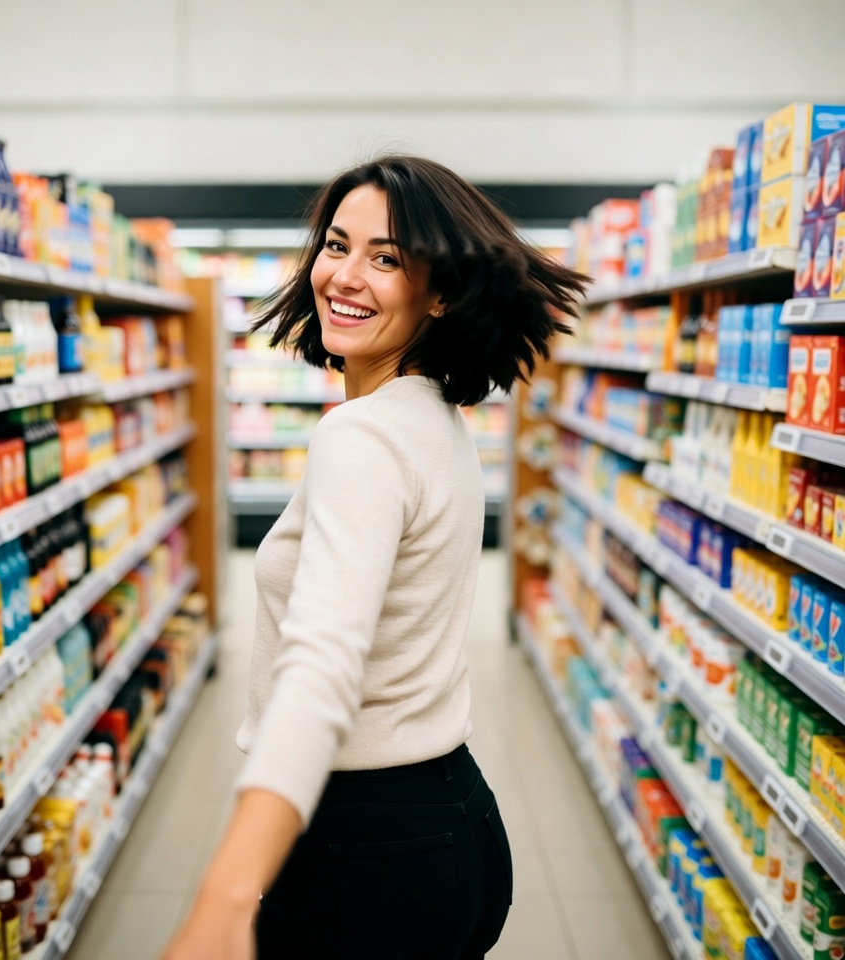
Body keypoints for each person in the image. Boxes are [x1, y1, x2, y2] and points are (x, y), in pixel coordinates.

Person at [161, 155, 587, 960]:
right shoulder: (435, 416)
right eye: (336, 245)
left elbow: (320, 668)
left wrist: (222, 896)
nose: (345, 275)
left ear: (440, 292)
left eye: (386, 258)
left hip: (364, 852)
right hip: (451, 821)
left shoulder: (361, 436)